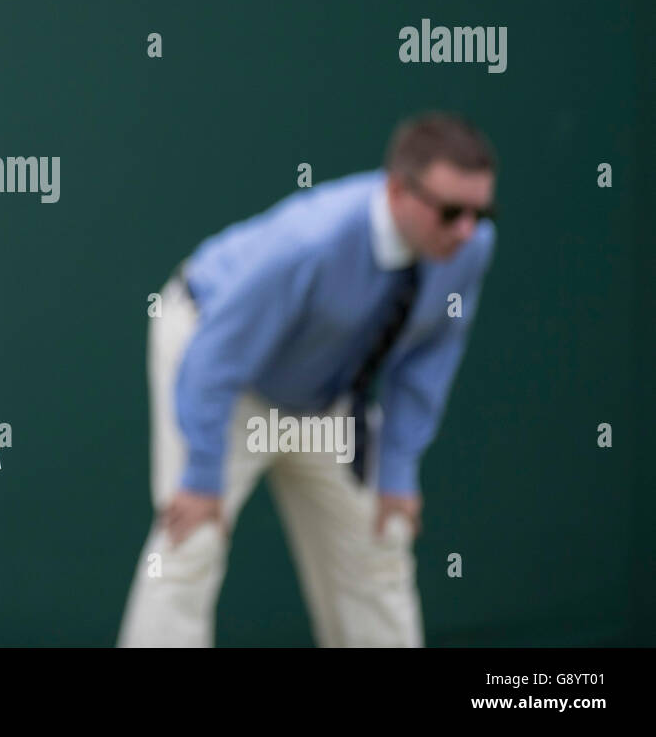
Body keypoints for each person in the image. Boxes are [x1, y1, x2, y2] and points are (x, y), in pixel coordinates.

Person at [117, 112, 497, 647]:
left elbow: (428, 360)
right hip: (217, 362)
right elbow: (217, 356)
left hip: (325, 391)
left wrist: (398, 470)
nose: (467, 229)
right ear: (397, 190)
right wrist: (202, 475)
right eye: (452, 211)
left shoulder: (470, 249)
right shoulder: (311, 243)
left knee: (380, 542)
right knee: (191, 541)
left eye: (481, 212)